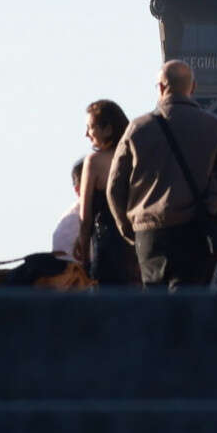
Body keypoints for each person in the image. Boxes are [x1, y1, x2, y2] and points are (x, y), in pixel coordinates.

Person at [107, 61, 217, 288]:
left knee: (157, 310)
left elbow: (115, 187)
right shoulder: (214, 127)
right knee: (189, 309)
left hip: (150, 233)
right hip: (197, 231)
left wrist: (130, 229)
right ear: (193, 87)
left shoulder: (137, 128)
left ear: (161, 88)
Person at [58, 100, 137, 291]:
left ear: (108, 129)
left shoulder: (93, 162)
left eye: (90, 127)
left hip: (107, 247)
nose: (86, 134)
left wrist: (84, 261)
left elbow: (85, 219)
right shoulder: (136, 158)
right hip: (136, 248)